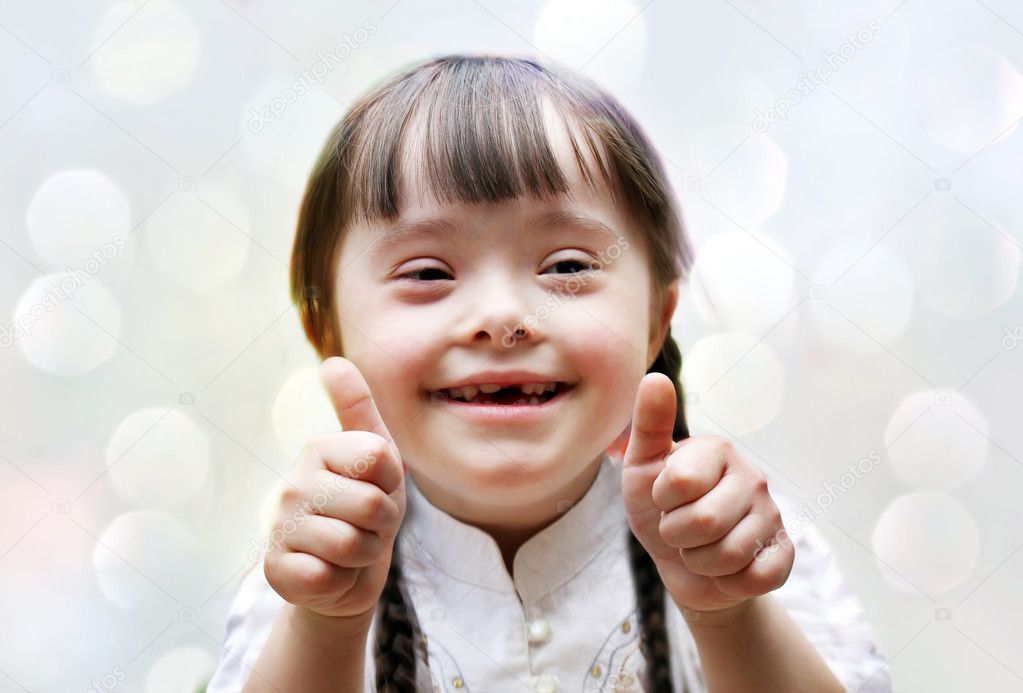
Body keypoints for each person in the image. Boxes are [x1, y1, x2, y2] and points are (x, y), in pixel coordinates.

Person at [206, 54, 892, 692]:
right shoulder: (303, 569)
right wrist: (324, 622)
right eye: (426, 272)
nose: (502, 315)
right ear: (327, 331)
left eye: (566, 265)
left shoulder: (746, 544)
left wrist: (729, 612)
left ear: (657, 319)